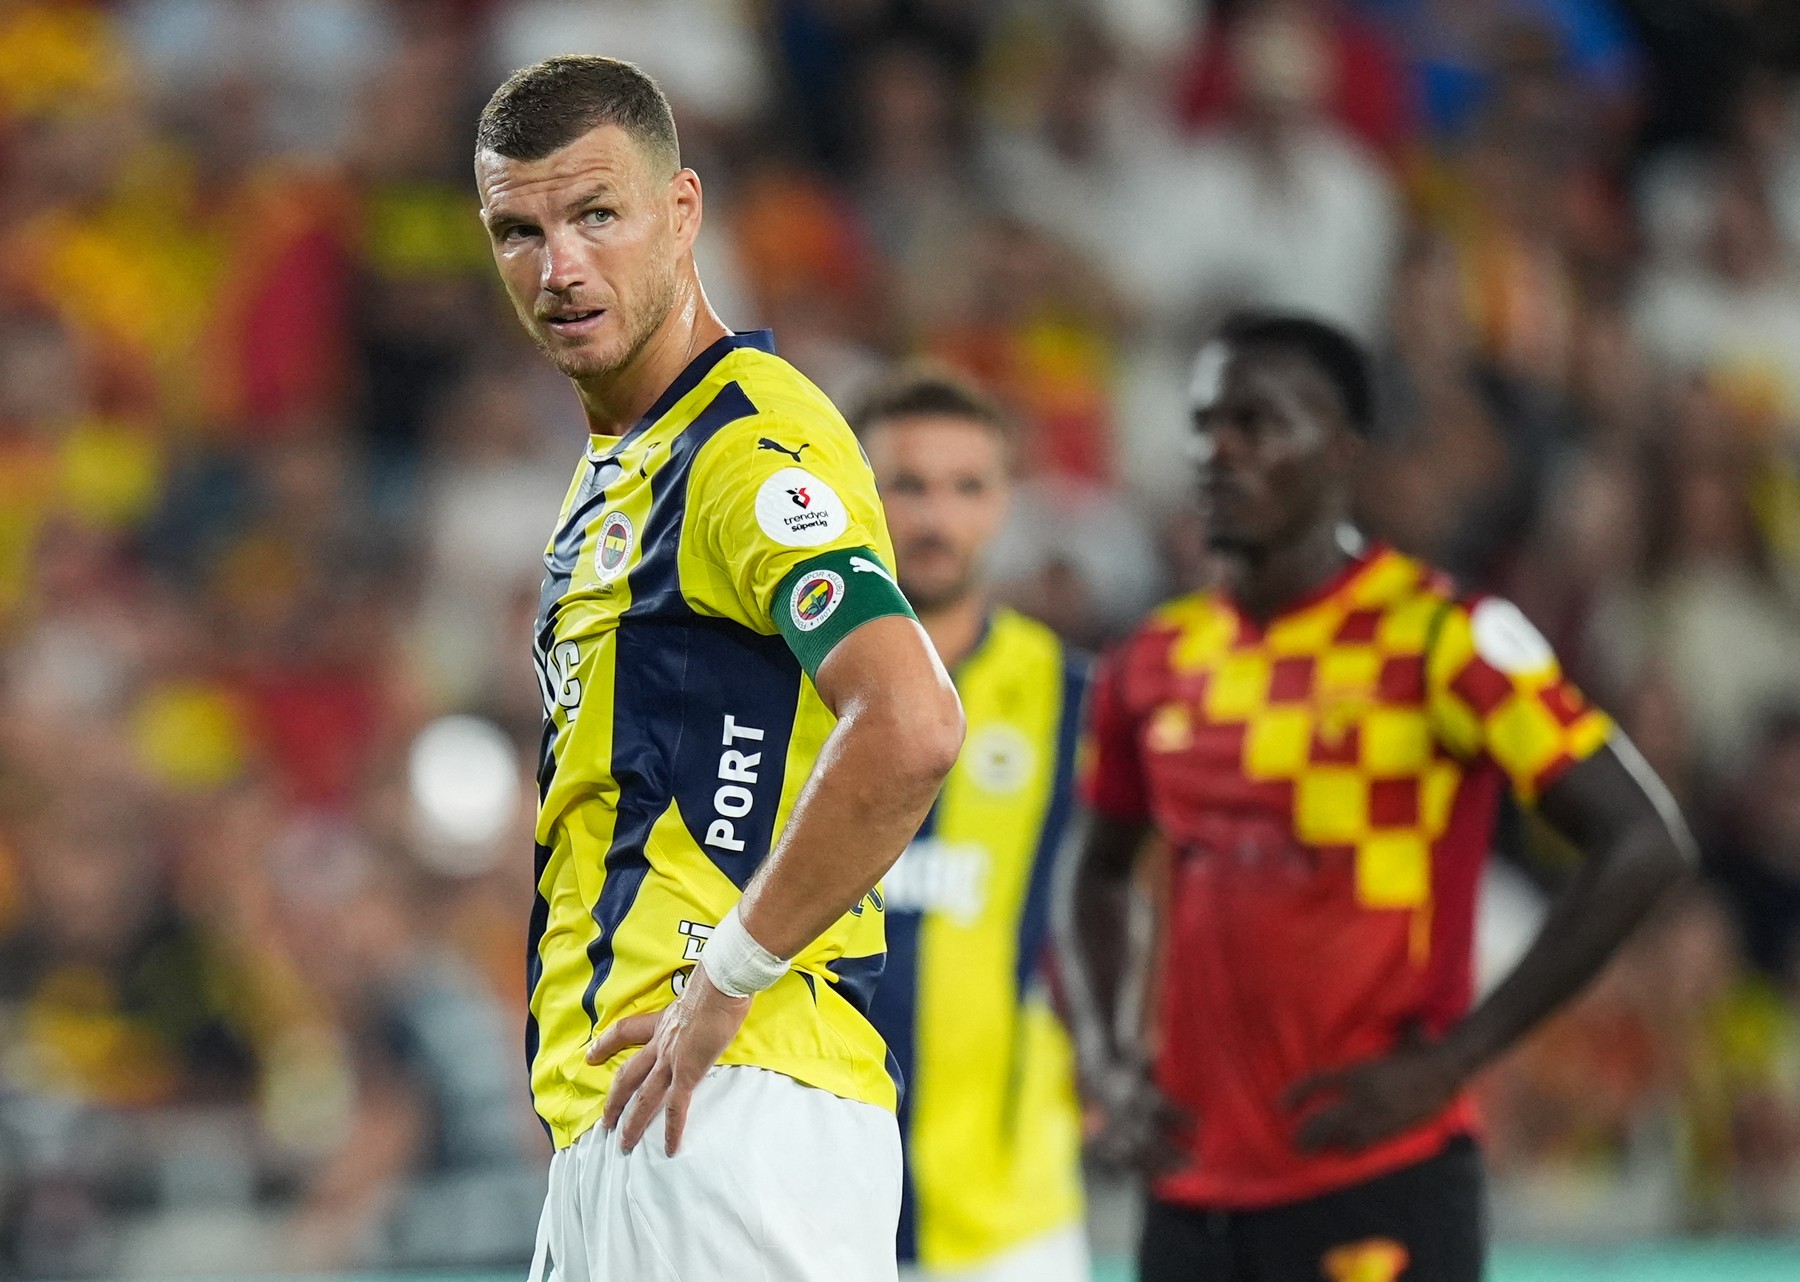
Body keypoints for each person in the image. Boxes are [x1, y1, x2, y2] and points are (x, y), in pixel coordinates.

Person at [1058, 312, 1692, 1281]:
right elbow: (1094, 869)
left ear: (1345, 451)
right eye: (1204, 423)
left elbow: (1640, 838)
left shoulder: (1445, 639)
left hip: (1377, 1174)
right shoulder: (1152, 660)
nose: (1217, 451)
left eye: (1258, 423)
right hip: (1189, 1185)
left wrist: (1456, 1060)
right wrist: (1105, 1056)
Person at [473, 56, 965, 1282]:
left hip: (732, 1109)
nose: (559, 267)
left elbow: (910, 721)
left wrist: (725, 976)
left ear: (684, 212)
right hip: (633, 1116)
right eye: (517, 231)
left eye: (596, 215)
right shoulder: (620, 471)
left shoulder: (747, 446)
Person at [853, 368, 1089, 1282]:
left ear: (1005, 506)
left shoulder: (1076, 703)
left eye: (967, 487)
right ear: (853, 493)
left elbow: (1150, 894)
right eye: (906, 484)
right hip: (808, 1206)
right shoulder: (775, 691)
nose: (934, 517)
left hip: (1007, 1223)